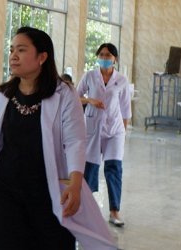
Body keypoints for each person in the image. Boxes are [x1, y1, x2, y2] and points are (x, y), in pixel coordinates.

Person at [0, 27, 116, 250]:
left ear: (42, 57)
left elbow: (75, 141)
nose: (13, 56)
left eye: (21, 50)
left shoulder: (63, 94)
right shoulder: (4, 94)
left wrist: (75, 183)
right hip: (7, 190)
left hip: (47, 189)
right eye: (12, 50)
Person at [76, 43, 131, 228]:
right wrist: (90, 100)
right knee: (90, 168)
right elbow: (75, 96)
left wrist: (123, 134)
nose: (104, 58)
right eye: (101, 55)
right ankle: (85, 209)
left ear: (115, 59)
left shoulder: (121, 80)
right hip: (93, 127)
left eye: (108, 55)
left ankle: (114, 211)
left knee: (114, 168)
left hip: (115, 130)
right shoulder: (90, 76)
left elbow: (126, 109)